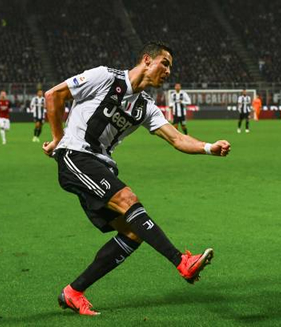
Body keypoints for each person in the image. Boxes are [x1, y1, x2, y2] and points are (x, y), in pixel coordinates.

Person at [42, 41, 231, 315]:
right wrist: (58, 139)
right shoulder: (105, 77)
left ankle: (73, 292)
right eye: (164, 63)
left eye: (170, 67)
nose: (168, 71)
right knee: (128, 200)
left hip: (101, 166)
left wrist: (208, 148)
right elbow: (53, 95)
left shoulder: (146, 107)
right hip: (76, 155)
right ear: (146, 60)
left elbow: (177, 138)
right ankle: (181, 262)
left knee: (133, 232)